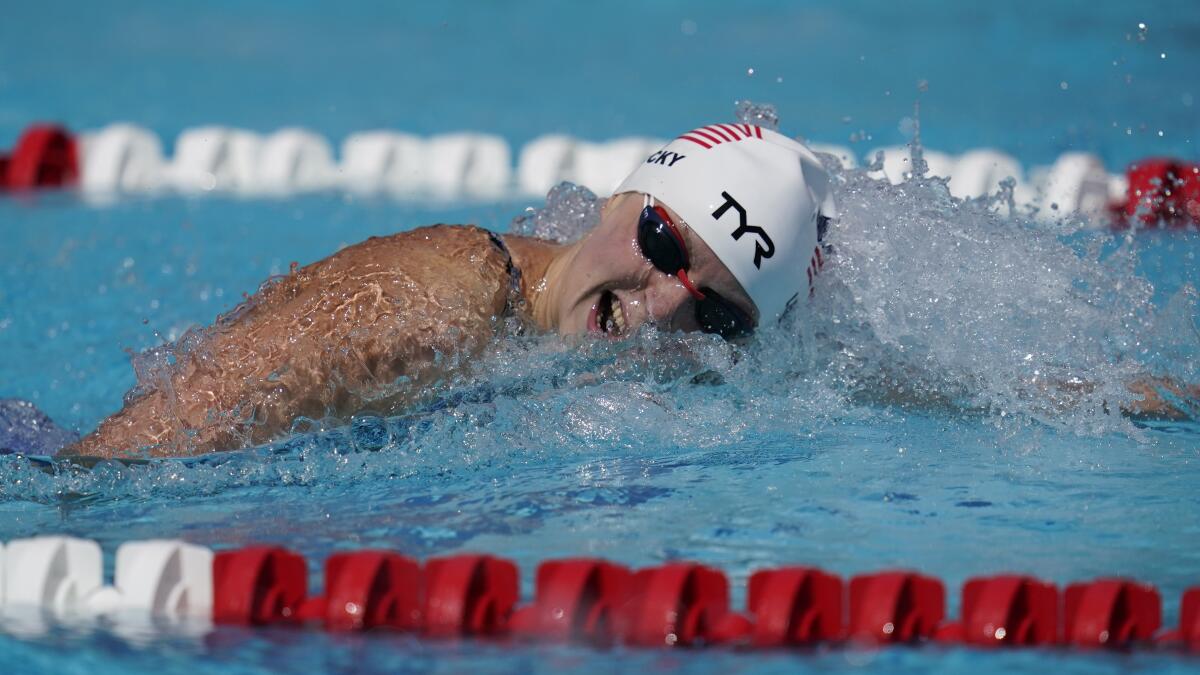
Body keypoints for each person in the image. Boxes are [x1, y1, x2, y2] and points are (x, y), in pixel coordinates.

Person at [64, 123, 1190, 458]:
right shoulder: (452, 296)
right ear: (615, 201)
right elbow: (123, 465)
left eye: (714, 311)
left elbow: (897, 381)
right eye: (662, 240)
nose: (659, 306)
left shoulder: (705, 368)